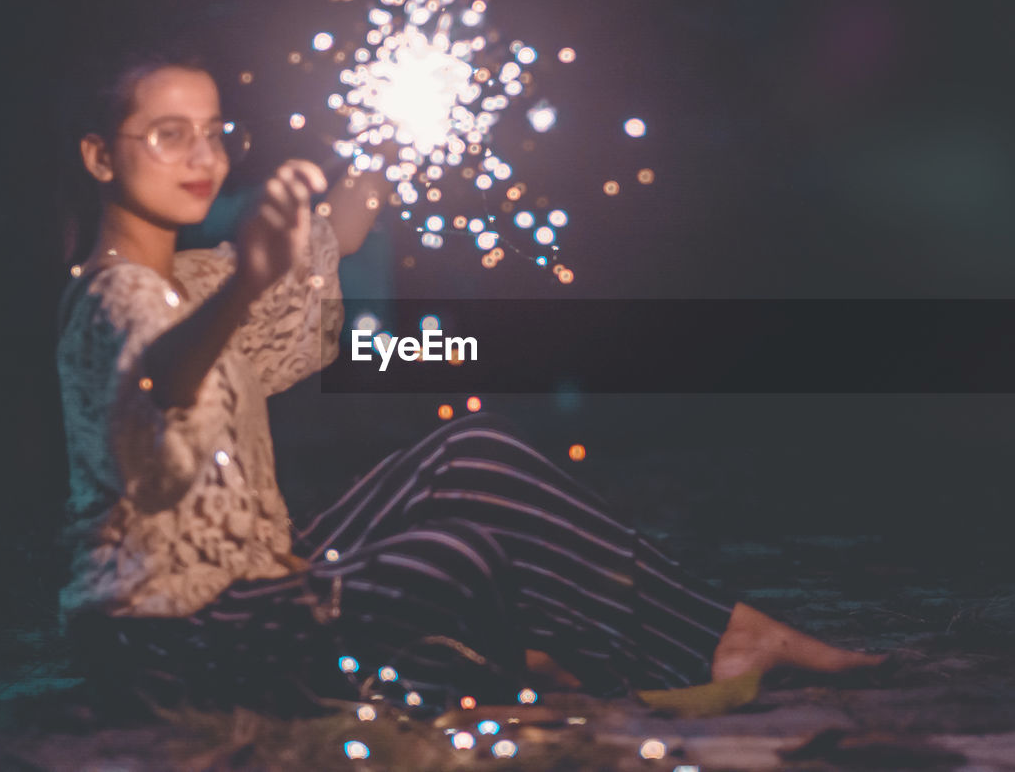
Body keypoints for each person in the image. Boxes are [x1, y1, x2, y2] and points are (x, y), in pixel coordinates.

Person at [55, 53, 886, 717]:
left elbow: (326, 241)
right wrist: (248, 284)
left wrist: (392, 141)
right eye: (169, 134)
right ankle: (518, 679)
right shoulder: (110, 296)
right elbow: (156, 386)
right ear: (99, 155)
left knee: (472, 449)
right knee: (452, 558)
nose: (203, 156)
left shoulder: (194, 277)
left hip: (256, 574)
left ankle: (727, 633)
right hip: (165, 634)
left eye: (213, 131)